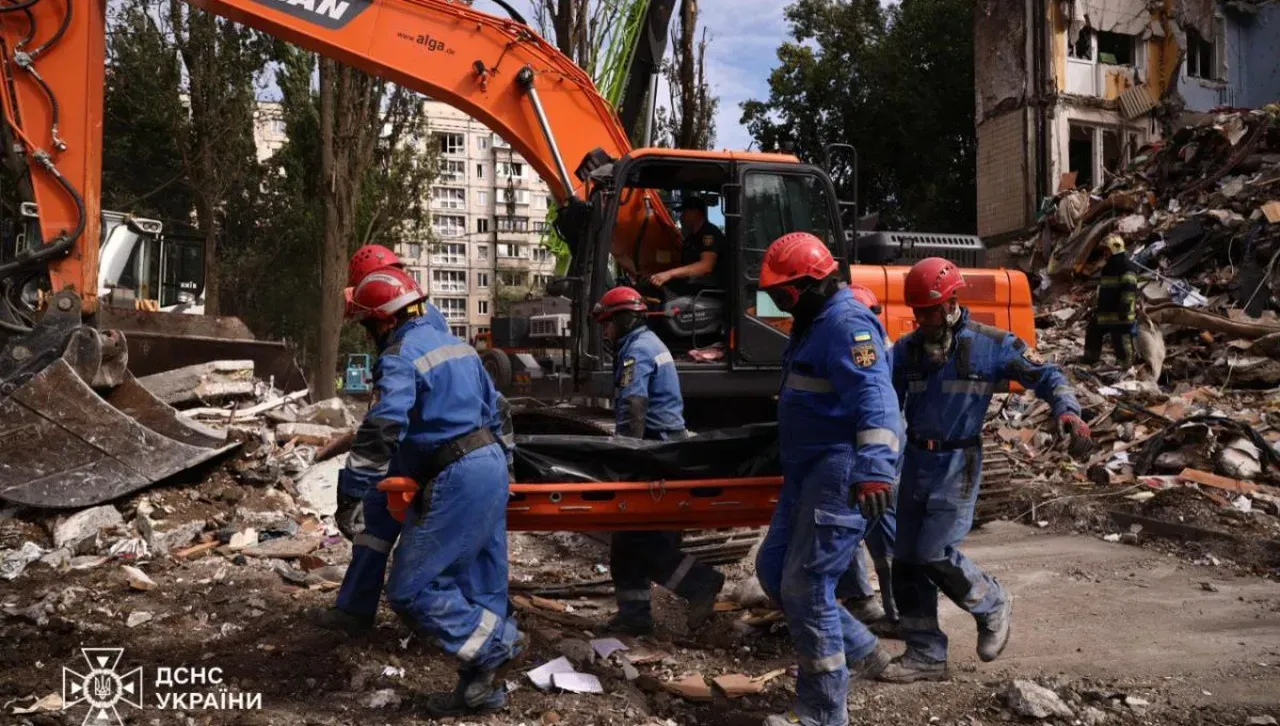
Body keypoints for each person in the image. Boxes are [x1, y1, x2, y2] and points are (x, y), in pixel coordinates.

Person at [880, 257, 1091, 684]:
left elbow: (1046, 374)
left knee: (933, 553)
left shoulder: (991, 344)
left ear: (952, 301)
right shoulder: (906, 352)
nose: (922, 320)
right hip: (917, 460)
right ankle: (925, 654)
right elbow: (879, 398)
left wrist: (1068, 412)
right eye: (917, 312)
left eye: (930, 311)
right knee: (904, 561)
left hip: (959, 462)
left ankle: (991, 601)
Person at [335, 265, 524, 716]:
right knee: (482, 584)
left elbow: (381, 430)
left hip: (455, 473)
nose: (368, 336)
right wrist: (508, 471)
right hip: (489, 465)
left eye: (367, 326)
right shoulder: (459, 347)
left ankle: (499, 645)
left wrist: (351, 494)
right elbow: (497, 414)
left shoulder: (399, 356)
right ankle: (480, 691)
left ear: (384, 320)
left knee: (411, 590)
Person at [754, 233, 902, 726]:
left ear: (810, 286)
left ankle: (821, 714)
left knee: (807, 586)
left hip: (839, 468)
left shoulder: (844, 323)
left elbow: (877, 398)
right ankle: (864, 650)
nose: (779, 305)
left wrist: (876, 469)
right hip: (806, 469)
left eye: (783, 296)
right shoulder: (813, 322)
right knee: (775, 573)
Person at [592, 285, 725, 636]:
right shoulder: (649, 344)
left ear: (622, 320)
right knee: (627, 539)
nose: (606, 332)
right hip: (662, 450)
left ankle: (701, 582)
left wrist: (625, 459)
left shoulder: (637, 351)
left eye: (607, 324)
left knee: (643, 541)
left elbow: (634, 408)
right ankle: (634, 616)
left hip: (655, 455)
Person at [835, 284, 899, 638]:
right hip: (871, 453)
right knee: (857, 531)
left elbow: (876, 405)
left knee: (874, 532)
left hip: (873, 455)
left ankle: (889, 609)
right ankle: (870, 602)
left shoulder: (863, 346)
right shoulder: (880, 342)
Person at [646, 195, 728, 295]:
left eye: (684, 212)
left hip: (707, 288)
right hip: (692, 285)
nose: (681, 217)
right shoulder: (690, 239)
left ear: (695, 213)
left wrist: (669, 274)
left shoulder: (709, 233)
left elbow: (706, 266)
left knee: (663, 293)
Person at [1081, 235, 1138, 367]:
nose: (1105, 253)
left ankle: (1126, 366)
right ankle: (1090, 359)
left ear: (1115, 249)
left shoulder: (1126, 266)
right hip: (1106, 312)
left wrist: (1124, 308)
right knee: (1093, 330)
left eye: (1107, 250)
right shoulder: (1108, 267)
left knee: (1121, 340)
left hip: (1120, 314)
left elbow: (1129, 290)